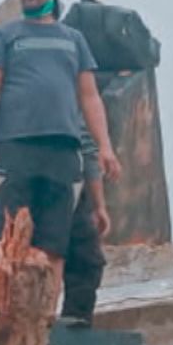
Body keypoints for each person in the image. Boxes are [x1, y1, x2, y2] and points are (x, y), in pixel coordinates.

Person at [0, 0, 121, 290]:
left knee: (55, 242)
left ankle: (45, 319)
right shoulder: (5, 37)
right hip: (16, 147)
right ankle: (3, 310)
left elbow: (90, 97)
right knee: (7, 238)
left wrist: (105, 147)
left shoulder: (73, 40)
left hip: (62, 150)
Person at [59, 127, 111, 326]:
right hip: (57, 181)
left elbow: (87, 148)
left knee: (87, 262)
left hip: (68, 183)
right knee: (83, 262)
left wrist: (99, 205)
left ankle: (72, 331)